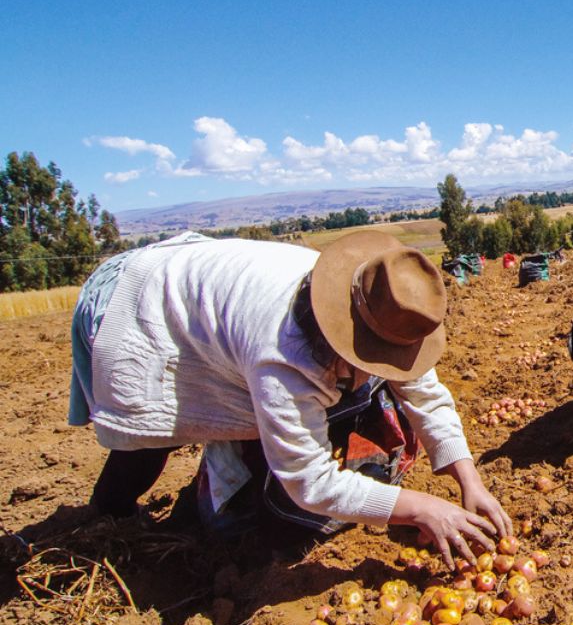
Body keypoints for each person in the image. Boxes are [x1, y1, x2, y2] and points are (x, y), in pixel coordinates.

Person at [69, 230, 511, 568]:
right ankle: (106, 522)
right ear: (345, 337)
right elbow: (310, 482)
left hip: (209, 297)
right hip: (136, 303)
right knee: (150, 439)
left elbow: (425, 392)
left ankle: (216, 480)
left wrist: (469, 482)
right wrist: (423, 509)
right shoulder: (284, 354)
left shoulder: (383, 304)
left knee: (338, 402)